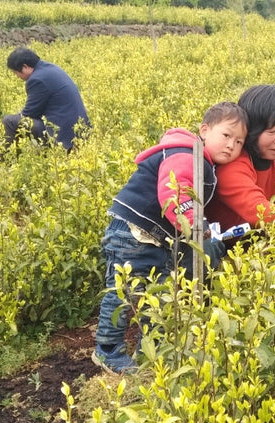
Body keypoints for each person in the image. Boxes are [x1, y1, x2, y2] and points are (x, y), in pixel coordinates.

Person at [92, 102, 248, 374]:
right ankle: (107, 351)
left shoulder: (203, 162)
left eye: (239, 142)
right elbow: (175, 195)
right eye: (226, 136)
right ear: (204, 130)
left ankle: (149, 352)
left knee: (159, 296)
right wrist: (196, 228)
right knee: (122, 295)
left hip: (155, 239)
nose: (231, 146)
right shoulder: (186, 155)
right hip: (131, 234)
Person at [205, 84, 275, 232]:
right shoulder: (231, 167)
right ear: (251, 131)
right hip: (231, 249)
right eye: (272, 131)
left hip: (268, 239)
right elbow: (260, 212)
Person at [1, 47, 90, 152]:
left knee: (9, 121)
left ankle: (5, 161)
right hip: (80, 132)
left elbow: (28, 114)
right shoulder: (50, 68)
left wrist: (18, 115)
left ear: (25, 67)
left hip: (64, 137)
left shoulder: (36, 80)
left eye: (16, 73)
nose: (17, 77)